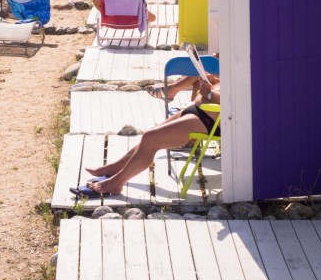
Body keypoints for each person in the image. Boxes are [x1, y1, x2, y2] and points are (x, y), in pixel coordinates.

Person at [74, 73, 220, 196]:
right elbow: (196, 96)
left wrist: (209, 93)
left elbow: (234, 103)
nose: (217, 54)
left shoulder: (241, 70)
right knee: (148, 135)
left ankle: (115, 183)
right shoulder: (233, 66)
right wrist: (208, 85)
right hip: (199, 110)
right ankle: (114, 168)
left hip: (211, 121)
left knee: (151, 139)